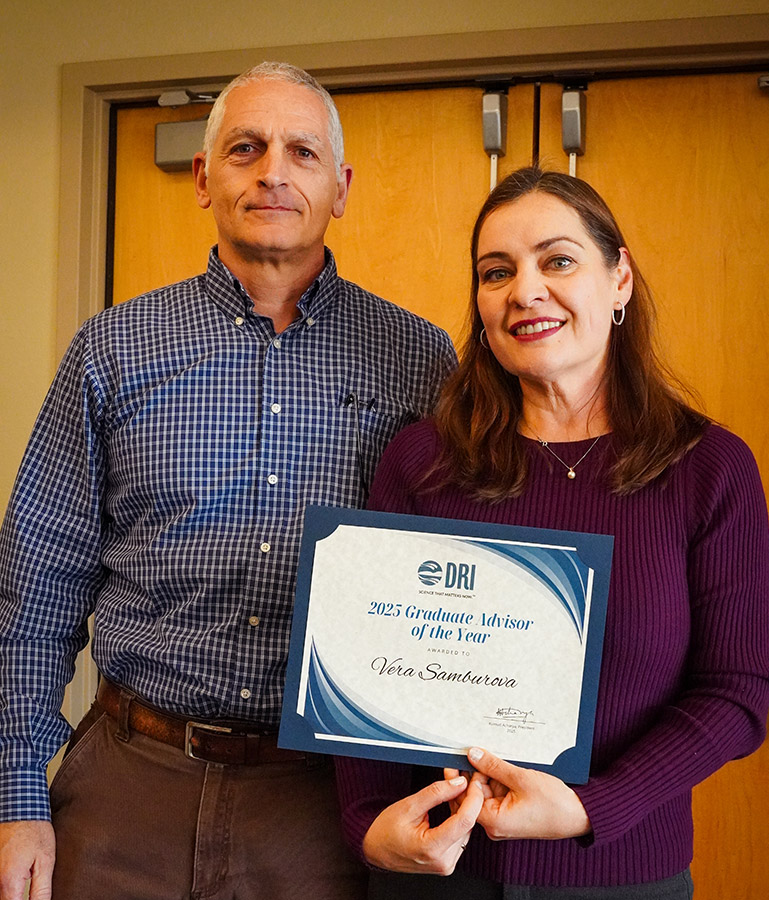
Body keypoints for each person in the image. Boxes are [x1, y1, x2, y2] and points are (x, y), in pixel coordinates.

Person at [0, 61, 456, 900]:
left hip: (323, 805)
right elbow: (35, 590)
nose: (273, 171)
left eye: (301, 152)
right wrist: (18, 793)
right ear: (206, 180)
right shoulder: (111, 351)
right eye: (246, 148)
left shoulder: (421, 361)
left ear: (341, 186)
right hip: (128, 786)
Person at [335, 166, 769, 899]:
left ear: (621, 281)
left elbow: (733, 693)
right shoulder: (421, 461)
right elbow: (366, 670)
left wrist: (586, 807)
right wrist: (368, 825)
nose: (525, 290)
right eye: (496, 271)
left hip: (623, 874)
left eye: (559, 260)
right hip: (438, 877)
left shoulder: (710, 469)